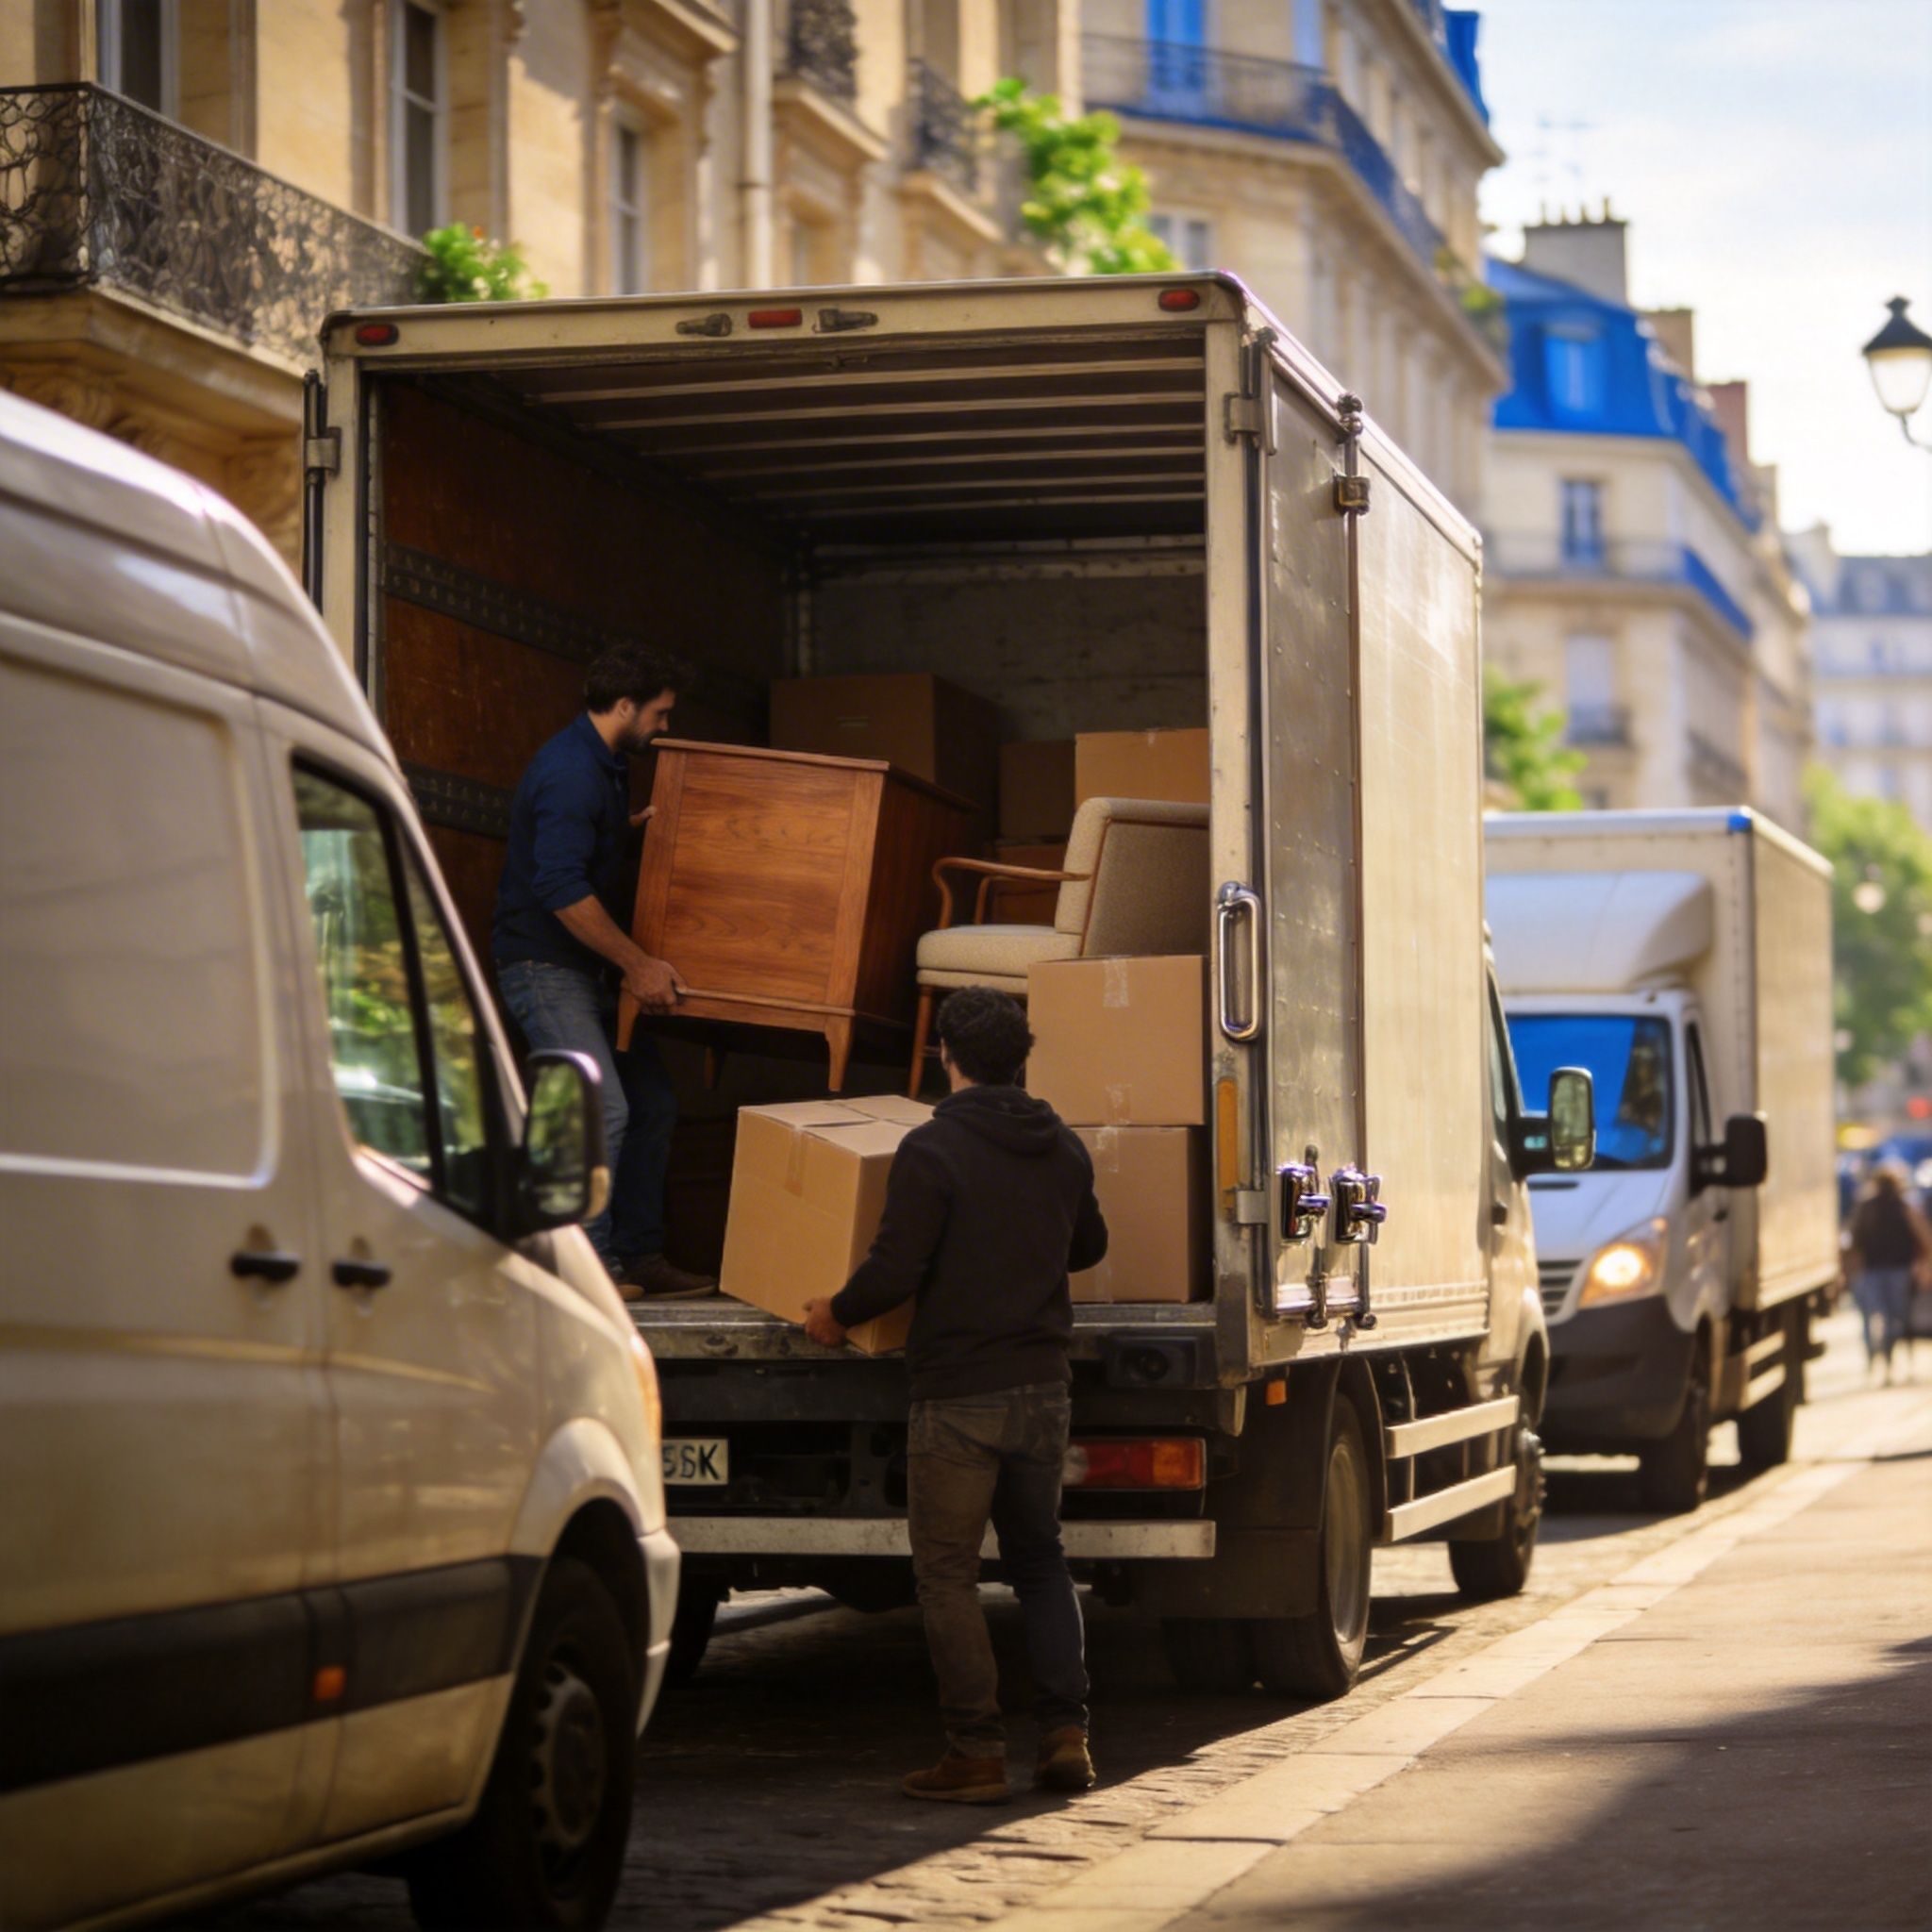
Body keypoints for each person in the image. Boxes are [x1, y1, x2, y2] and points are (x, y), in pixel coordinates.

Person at [801, 989, 1108, 1804]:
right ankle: (1066, 1736)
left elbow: (897, 1269)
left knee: (946, 1576)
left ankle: (974, 1754)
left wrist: (836, 1312)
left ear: (948, 1057)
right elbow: (1091, 1245)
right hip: (1043, 1386)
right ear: (1021, 1058)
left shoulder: (933, 1149)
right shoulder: (1064, 1146)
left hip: (958, 1395)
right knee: (1042, 1563)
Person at [492, 643, 713, 1300]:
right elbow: (560, 886)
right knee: (600, 1110)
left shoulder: (603, 765)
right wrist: (638, 964)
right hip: (545, 967)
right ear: (624, 706)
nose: (665, 727)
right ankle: (585, 1275)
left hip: (586, 970)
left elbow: (580, 841)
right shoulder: (569, 774)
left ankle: (638, 1255)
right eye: (661, 713)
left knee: (653, 1105)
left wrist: (627, 828)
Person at [1845, 1163, 1931, 1382]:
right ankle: (1888, 1362)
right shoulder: (1903, 1206)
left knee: (1878, 1318)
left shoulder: (1867, 1207)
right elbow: (1924, 1238)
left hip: (1874, 1270)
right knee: (1895, 1318)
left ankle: (1880, 1361)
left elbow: (1853, 1240)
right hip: (1897, 1270)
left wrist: (1849, 1270)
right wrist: (1925, 1264)